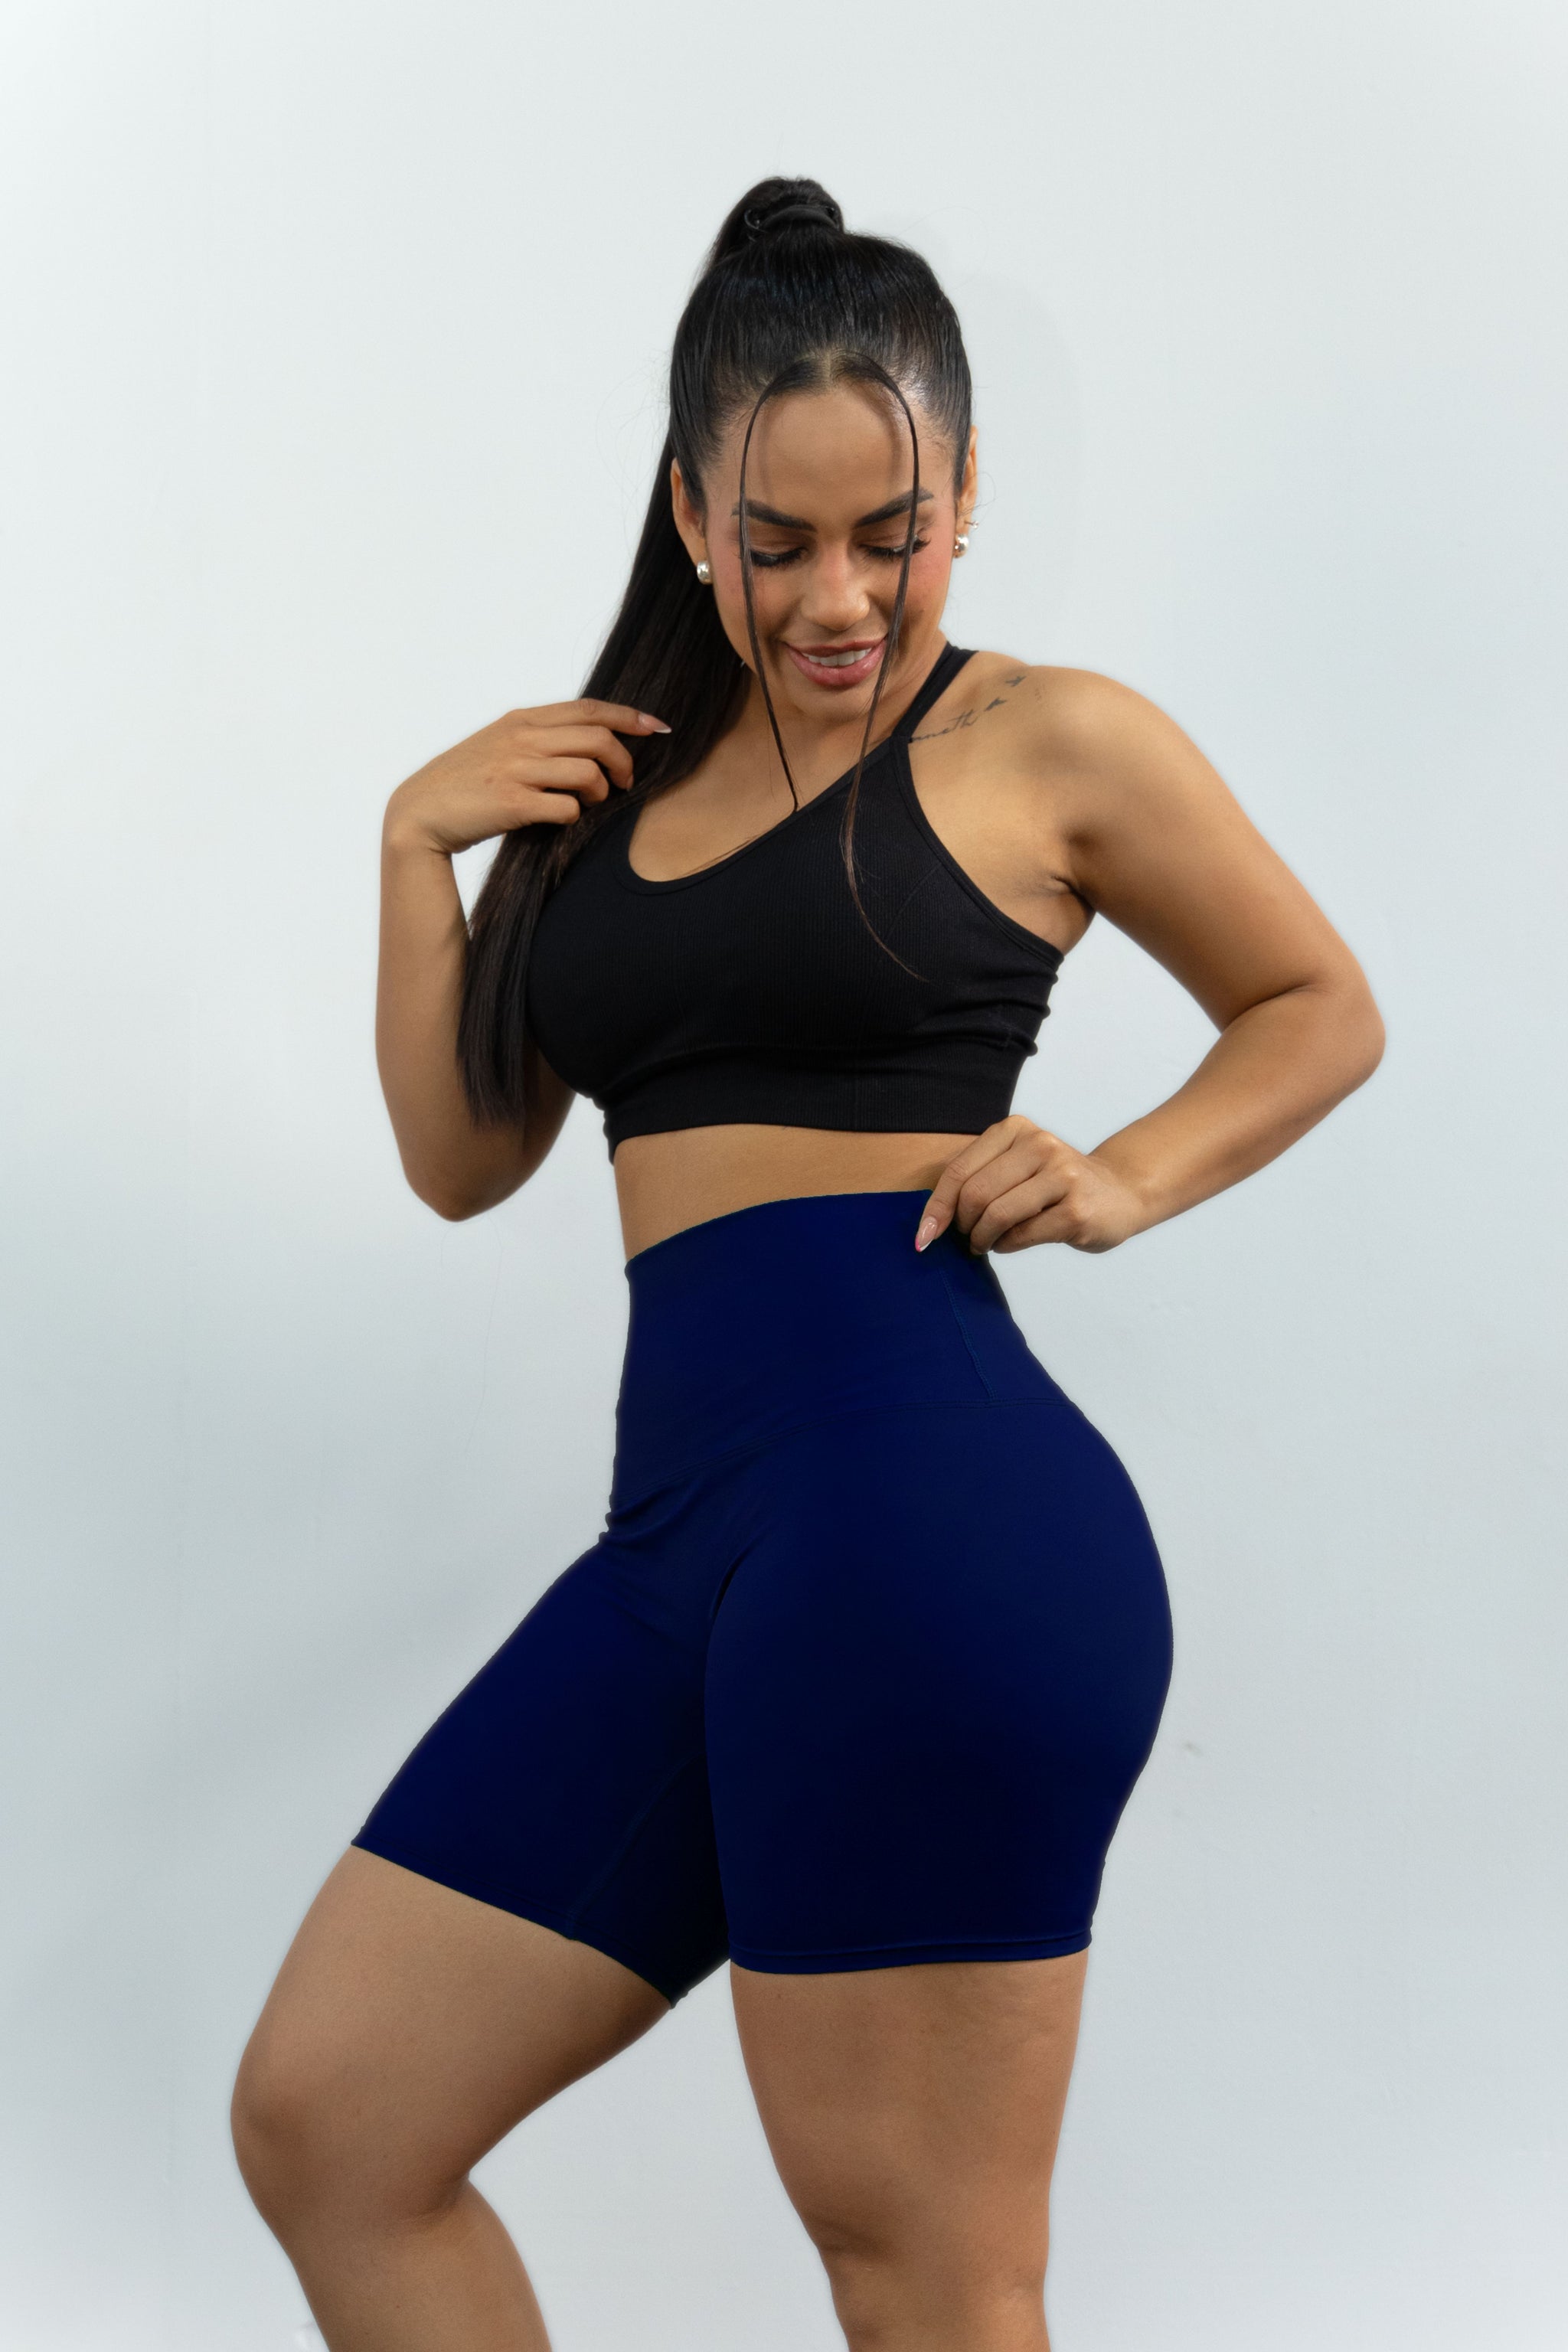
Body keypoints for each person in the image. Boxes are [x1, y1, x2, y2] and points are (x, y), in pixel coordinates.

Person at [230, 178, 1383, 2352]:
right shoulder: (608, 784)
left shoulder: (1045, 737)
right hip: (683, 1548)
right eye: (779, 544)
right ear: (691, 516)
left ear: (967, 497)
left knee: (919, 2267)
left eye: (894, 534)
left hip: (928, 1527)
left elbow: (1317, 1003)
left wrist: (1126, 1176)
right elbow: (464, 1164)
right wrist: (413, 844)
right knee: (335, 2127)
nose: (842, 597)